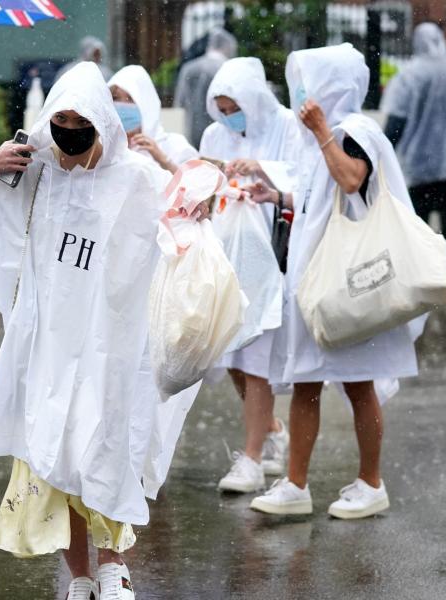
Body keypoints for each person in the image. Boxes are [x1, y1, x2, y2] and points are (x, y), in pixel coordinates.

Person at [0, 62, 202, 600]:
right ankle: (80, 576)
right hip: (48, 347)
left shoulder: (136, 179)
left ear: (100, 122)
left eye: (79, 119)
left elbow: (191, 218)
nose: (68, 130)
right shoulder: (34, 174)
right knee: (54, 457)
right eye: (58, 119)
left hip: (112, 348)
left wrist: (196, 204)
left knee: (105, 449)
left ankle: (115, 567)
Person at [248, 43, 419, 520]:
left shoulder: (354, 130)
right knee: (307, 381)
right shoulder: (318, 138)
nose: (300, 89)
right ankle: (297, 484)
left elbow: (350, 180)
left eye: (309, 78)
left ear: (333, 84)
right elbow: (318, 198)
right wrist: (277, 195)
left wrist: (323, 130)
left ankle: (371, 482)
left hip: (348, 283)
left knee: (359, 384)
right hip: (315, 283)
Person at [198, 57, 301, 494]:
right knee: (231, 354)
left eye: (233, 106)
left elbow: (301, 183)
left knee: (255, 356)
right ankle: (271, 430)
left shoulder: (287, 127)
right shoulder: (215, 134)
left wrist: (260, 171)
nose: (228, 116)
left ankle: (253, 457)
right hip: (225, 252)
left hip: (268, 256)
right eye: (220, 107)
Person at [381, 22, 446, 274]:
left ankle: (423, 270)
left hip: (418, 161)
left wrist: (382, 152)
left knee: (419, 218)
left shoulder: (410, 75)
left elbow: (396, 120)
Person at [108, 65, 198, 173]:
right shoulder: (104, 150)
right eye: (115, 98)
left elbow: (196, 185)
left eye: (130, 98)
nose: (122, 105)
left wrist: (164, 161)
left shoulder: (175, 146)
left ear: (146, 103)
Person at [174, 28, 238, 148]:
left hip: (192, 129)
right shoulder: (227, 68)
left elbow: (180, 101)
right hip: (219, 131)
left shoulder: (189, 67)